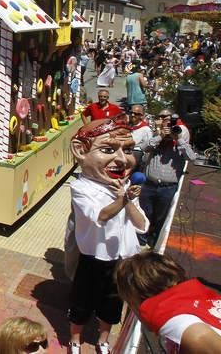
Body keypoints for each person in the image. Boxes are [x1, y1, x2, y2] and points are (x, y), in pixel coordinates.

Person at [66, 118, 149, 354]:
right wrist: (123, 198)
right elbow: (99, 217)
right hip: (94, 257)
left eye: (128, 150)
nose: (123, 160)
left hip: (122, 259)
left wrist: (129, 198)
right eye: (108, 150)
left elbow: (142, 224)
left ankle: (103, 340)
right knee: (81, 302)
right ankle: (75, 340)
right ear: (81, 151)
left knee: (113, 303)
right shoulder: (81, 187)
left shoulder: (124, 187)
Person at [115, 252, 221, 353]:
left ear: (135, 299)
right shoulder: (189, 300)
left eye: (129, 302)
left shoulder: (179, 323)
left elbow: (198, 336)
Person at [139, 109, 196, 248]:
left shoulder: (180, 137)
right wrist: (159, 137)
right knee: (144, 214)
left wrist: (178, 139)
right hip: (149, 184)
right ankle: (140, 241)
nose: (164, 120)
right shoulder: (157, 134)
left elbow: (191, 157)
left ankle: (154, 243)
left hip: (167, 188)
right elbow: (143, 147)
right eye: (161, 117)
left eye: (167, 117)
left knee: (160, 217)